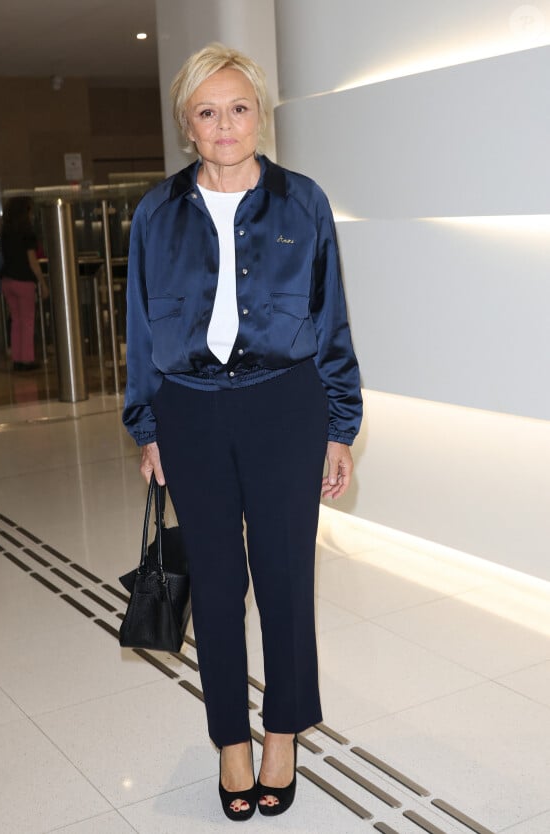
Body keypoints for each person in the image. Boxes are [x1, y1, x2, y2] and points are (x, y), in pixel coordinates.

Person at [123, 43, 362, 822]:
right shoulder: (157, 212)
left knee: (287, 578)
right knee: (219, 585)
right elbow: (140, 330)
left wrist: (339, 425)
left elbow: (331, 321)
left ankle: (283, 732)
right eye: (206, 112)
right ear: (187, 127)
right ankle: (231, 740)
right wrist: (147, 424)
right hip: (189, 408)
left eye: (238, 108)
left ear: (259, 115)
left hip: (286, 404)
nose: (224, 125)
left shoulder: (303, 203)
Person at [0, 196, 49, 371]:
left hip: (7, 280)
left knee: (16, 321)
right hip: (23, 281)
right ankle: (27, 359)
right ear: (25, 211)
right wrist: (42, 283)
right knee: (27, 320)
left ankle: (17, 359)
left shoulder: (5, 232)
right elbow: (32, 261)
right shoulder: (27, 232)